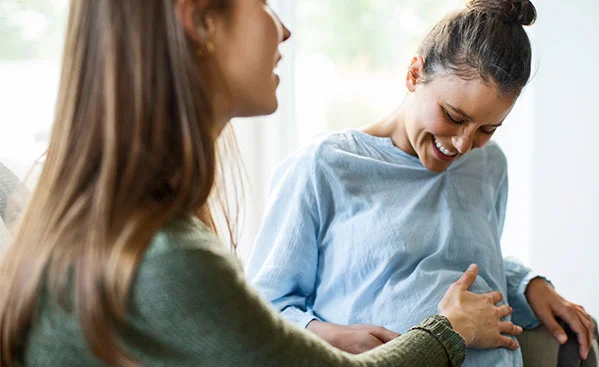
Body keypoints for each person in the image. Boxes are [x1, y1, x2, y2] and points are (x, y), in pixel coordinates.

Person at [0, 0, 524, 366]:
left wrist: (527, 285)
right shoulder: (164, 257)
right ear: (202, 21)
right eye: (265, 1)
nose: (285, 29)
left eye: (485, 130)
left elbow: (479, 252)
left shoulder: (145, 234)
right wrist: (449, 330)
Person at [247, 0, 597, 366]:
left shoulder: (489, 164)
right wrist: (328, 334)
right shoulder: (324, 167)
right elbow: (262, 307)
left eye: (487, 129)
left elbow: (464, 258)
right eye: (453, 116)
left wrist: (528, 284)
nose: (463, 144)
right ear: (414, 74)